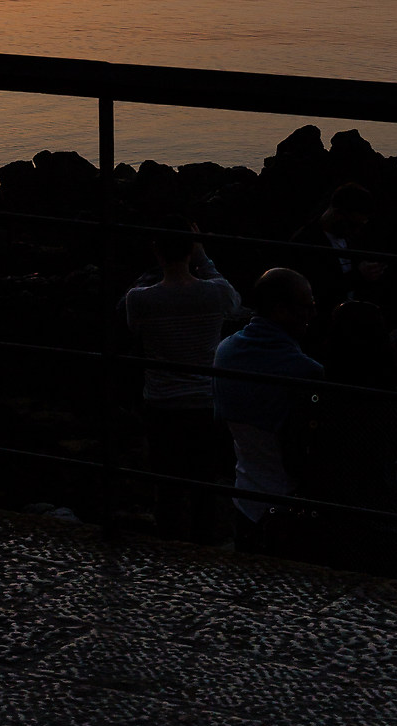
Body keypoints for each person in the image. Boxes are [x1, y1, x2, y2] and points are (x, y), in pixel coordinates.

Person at [123, 220, 240, 542]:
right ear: (191, 250)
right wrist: (202, 256)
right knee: (205, 481)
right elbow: (235, 301)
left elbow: (135, 331)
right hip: (205, 401)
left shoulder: (139, 299)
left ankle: (169, 548)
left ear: (157, 253)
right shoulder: (216, 292)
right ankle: (203, 546)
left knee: (167, 482)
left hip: (161, 402)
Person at [212, 268, 323, 554]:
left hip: (246, 497)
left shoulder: (225, 351)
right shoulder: (306, 372)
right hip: (288, 506)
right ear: (280, 310)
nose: (313, 313)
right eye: (307, 306)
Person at [307, 299, 397, 577]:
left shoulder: (322, 391)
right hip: (378, 508)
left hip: (334, 511)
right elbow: (395, 445)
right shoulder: (388, 397)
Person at [291, 182, 385, 332]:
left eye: (361, 225)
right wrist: (359, 276)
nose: (357, 230)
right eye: (353, 225)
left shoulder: (352, 238)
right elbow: (318, 288)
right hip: (323, 323)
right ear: (337, 213)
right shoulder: (306, 242)